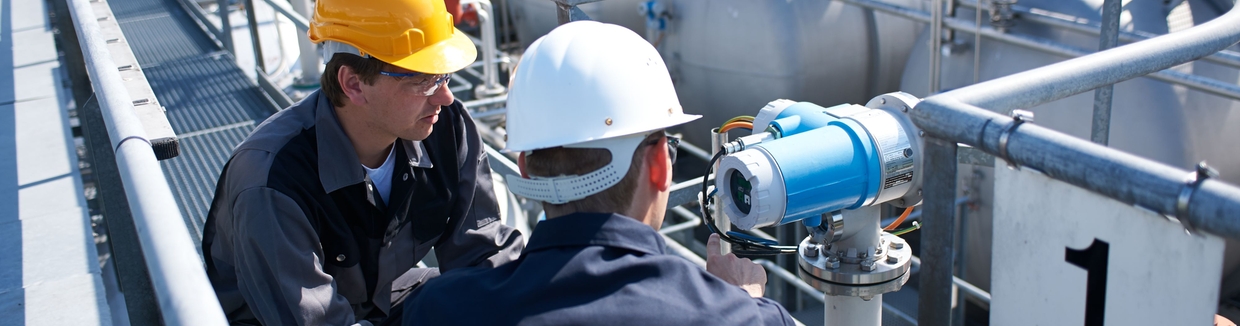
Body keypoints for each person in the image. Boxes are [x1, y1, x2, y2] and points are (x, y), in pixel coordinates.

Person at [402, 21, 794, 325]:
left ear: (525, 167)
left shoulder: (440, 310)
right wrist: (743, 300)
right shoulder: (735, 317)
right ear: (660, 166)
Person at [200, 0, 524, 324]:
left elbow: (483, 256)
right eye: (422, 80)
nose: (445, 97)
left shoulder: (445, 128)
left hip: (378, 300)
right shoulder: (272, 182)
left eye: (444, 75)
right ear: (353, 83)